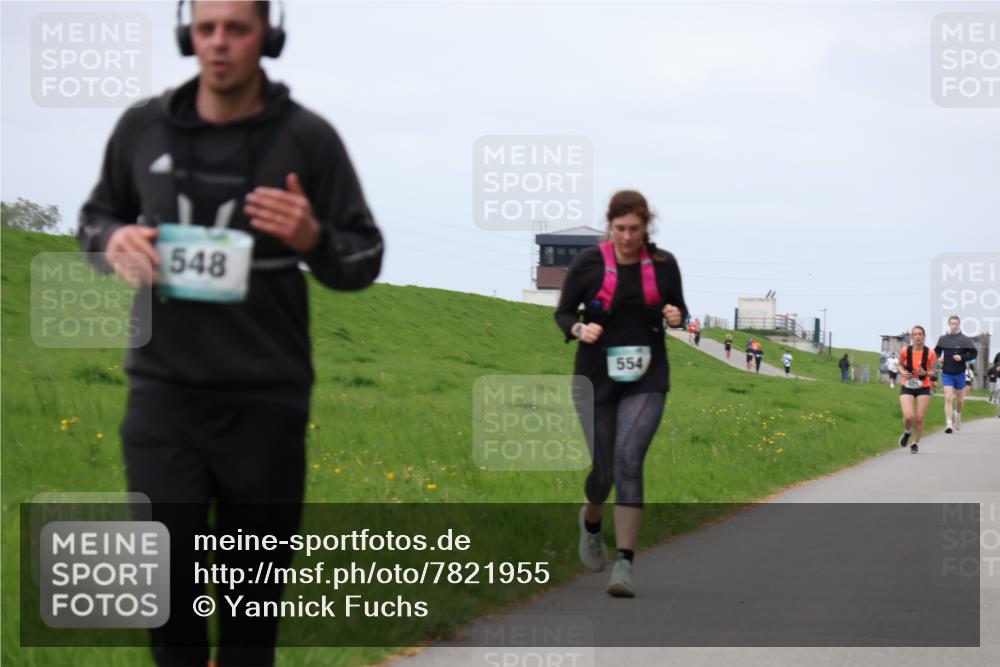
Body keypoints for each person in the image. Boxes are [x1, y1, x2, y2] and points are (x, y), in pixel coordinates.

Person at [77, 2, 384, 664]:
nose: (219, 43)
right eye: (207, 27)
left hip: (266, 402)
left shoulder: (308, 140)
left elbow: (364, 259)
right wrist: (114, 239)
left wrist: (314, 237)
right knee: (168, 589)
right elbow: (94, 220)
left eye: (237, 28)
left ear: (267, 35)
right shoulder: (142, 128)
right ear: (187, 31)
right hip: (164, 397)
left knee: (251, 612)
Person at [555, 190, 687, 598]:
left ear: (647, 226)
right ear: (609, 227)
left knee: (630, 460)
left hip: (647, 375)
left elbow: (680, 310)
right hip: (595, 375)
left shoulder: (664, 265)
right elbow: (562, 312)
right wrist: (579, 329)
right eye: (620, 229)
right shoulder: (589, 263)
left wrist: (676, 315)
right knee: (604, 472)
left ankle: (625, 563)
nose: (628, 236)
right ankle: (591, 522)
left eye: (635, 229)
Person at [934, 315, 978, 433]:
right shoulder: (943, 339)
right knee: (948, 398)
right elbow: (936, 351)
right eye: (952, 323)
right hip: (947, 373)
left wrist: (962, 357)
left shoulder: (964, 339)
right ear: (949, 325)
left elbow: (974, 353)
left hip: (959, 373)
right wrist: (938, 358)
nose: (954, 326)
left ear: (959, 325)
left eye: (956, 324)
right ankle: (949, 424)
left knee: (959, 401)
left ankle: (958, 416)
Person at [897, 326, 938, 454]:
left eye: (920, 334)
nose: (917, 337)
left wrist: (925, 372)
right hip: (907, 385)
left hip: (923, 387)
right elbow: (899, 365)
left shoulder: (930, 353)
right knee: (909, 416)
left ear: (924, 336)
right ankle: (907, 431)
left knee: (919, 418)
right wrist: (903, 372)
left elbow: (933, 372)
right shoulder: (905, 351)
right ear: (912, 337)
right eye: (915, 334)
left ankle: (915, 443)